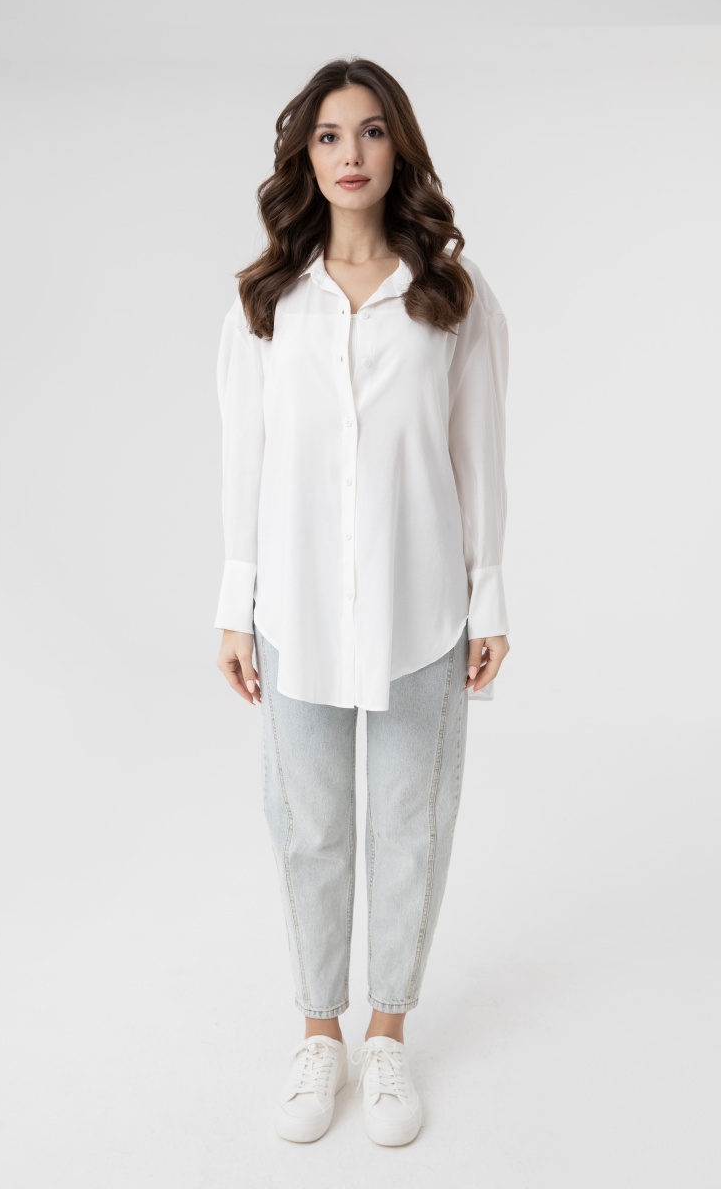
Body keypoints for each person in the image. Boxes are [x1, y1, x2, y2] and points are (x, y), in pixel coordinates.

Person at [213, 57, 511, 1147]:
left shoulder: (451, 299)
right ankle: (318, 1034)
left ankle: (386, 1035)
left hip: (420, 612)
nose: (351, 154)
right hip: (295, 614)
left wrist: (487, 598)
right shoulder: (266, 305)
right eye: (330, 135)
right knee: (308, 831)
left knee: (408, 826)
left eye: (372, 131)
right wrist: (235, 602)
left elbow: (480, 455)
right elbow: (243, 460)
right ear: (306, 155)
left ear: (399, 149)